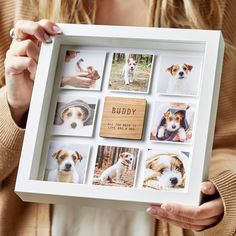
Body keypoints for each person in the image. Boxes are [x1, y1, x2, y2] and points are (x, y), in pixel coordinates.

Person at [0, 0, 236, 235]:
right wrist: (15, 104)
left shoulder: (214, 6)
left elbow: (226, 141)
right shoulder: (17, 6)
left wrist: (222, 196)